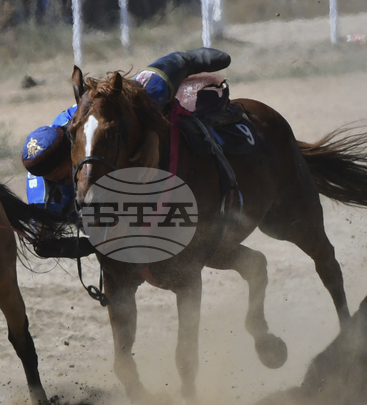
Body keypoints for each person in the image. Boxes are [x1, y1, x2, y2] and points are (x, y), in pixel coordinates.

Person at [21, 48, 231, 258]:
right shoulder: (42, 195)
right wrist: (95, 246)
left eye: (63, 173)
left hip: (105, 109)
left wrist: (152, 135)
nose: (61, 179)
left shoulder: (80, 132)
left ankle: (187, 59)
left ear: (73, 150)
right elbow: (42, 246)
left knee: (151, 87)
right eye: (56, 179)